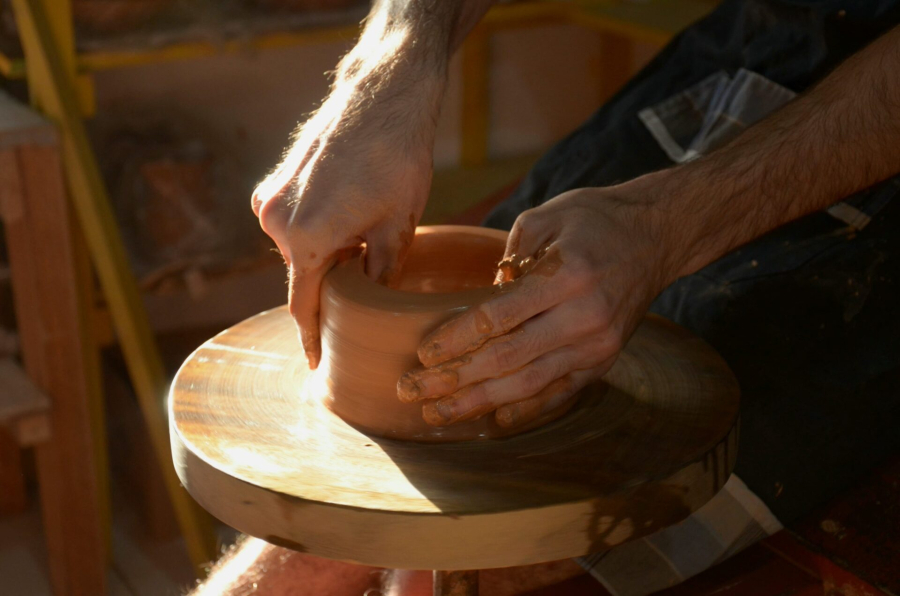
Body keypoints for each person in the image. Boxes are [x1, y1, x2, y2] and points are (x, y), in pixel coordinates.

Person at [198, 0, 900, 594]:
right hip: (789, 35)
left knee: (569, 515)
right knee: (338, 511)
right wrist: (390, 61)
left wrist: (666, 226)